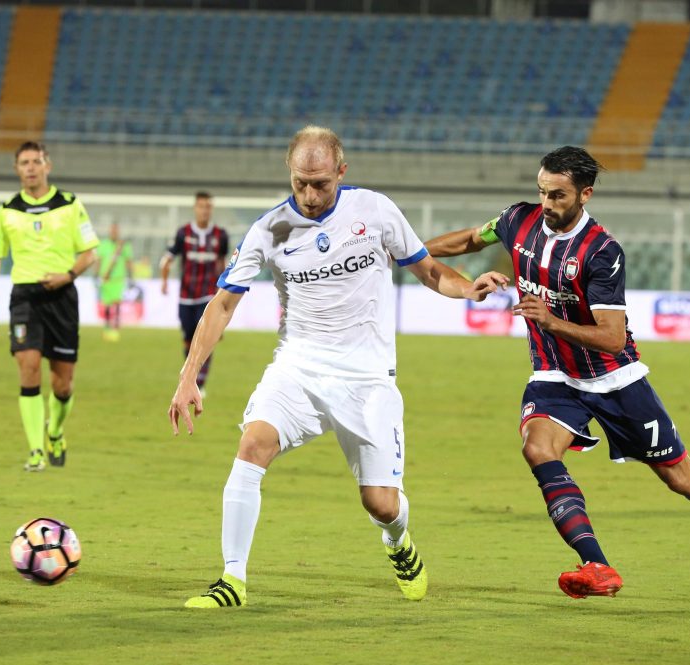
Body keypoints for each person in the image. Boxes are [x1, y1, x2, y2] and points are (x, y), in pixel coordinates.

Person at [424, 146, 690, 609]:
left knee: (682, 478)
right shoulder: (516, 220)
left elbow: (613, 338)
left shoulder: (602, 251)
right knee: (537, 448)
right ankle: (596, 565)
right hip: (554, 375)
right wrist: (411, 251)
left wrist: (551, 320)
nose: (546, 203)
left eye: (557, 195)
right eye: (541, 191)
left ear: (585, 194)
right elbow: (469, 241)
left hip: (614, 380)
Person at [168, 126, 508, 608]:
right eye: (300, 183)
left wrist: (467, 288)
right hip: (298, 369)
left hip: (367, 380)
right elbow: (223, 303)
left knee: (382, 505)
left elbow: (428, 269)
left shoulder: (374, 210)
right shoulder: (270, 229)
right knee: (251, 447)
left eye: (321, 183)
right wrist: (188, 376)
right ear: (290, 173)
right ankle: (232, 580)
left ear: (341, 173)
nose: (309, 195)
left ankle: (398, 542)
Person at [0, 141, 99, 472]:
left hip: (62, 297)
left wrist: (68, 274)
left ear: (48, 165)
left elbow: (89, 252)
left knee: (63, 384)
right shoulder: (7, 210)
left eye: (36, 161)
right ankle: (35, 451)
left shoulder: (70, 204)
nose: (30, 167)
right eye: (24, 163)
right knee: (28, 365)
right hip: (24, 298)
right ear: (17, 169)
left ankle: (55, 431)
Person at [159, 192, 229, 397]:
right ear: (195, 208)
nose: (204, 210)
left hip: (208, 295)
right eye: (201, 206)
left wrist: (223, 291)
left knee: (207, 338)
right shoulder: (183, 233)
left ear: (211, 209)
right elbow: (167, 258)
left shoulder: (220, 235)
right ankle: (191, 376)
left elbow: (222, 263)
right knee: (188, 340)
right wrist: (164, 281)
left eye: (208, 206)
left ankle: (200, 382)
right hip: (186, 295)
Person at [96, 222, 133, 341]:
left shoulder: (123, 246)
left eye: (116, 230)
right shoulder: (103, 244)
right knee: (106, 304)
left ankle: (115, 327)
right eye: (112, 230)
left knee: (117, 304)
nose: (114, 232)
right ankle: (107, 328)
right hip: (106, 278)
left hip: (118, 279)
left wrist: (131, 275)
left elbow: (128, 261)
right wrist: (96, 274)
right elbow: (99, 260)